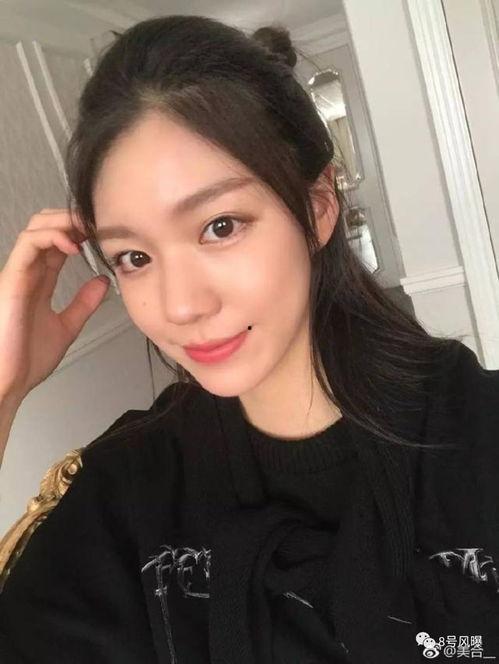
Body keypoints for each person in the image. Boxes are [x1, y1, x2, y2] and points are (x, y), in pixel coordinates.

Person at [0, 14, 498, 664]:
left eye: (220, 226)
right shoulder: (127, 491)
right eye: (134, 257)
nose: (181, 306)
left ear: (318, 207)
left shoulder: (477, 437)